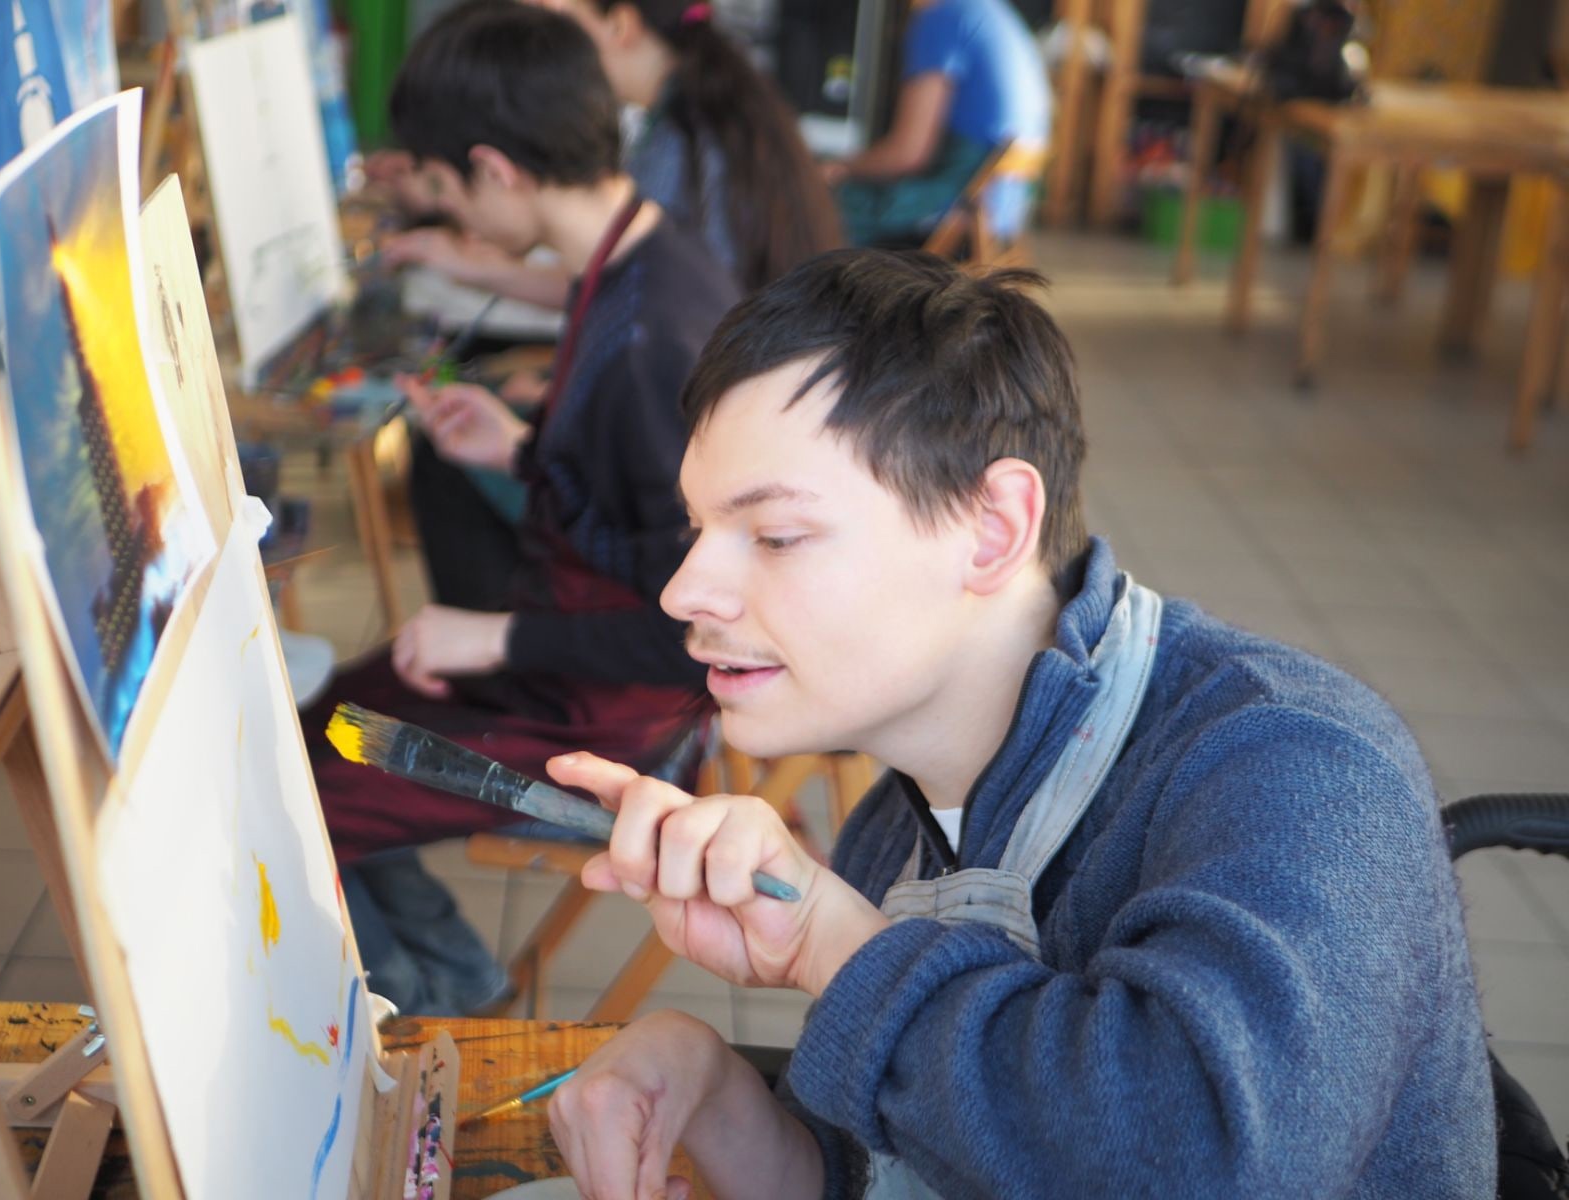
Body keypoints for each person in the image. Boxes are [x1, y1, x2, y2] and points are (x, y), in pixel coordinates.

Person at [531, 250, 1496, 1197]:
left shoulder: (1298, 763)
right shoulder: (892, 834)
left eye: (775, 535)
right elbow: (901, 1174)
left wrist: (831, 942)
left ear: (992, 529)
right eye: (698, 528)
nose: (683, 590)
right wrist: (717, 1095)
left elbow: (1211, 1166)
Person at [301, 0, 740, 1016]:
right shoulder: (637, 256)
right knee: (318, 730)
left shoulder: (649, 339)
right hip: (561, 667)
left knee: (294, 797)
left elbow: (694, 634)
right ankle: (455, 987)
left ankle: (412, 1024)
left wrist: (493, 636)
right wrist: (521, 447)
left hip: (612, 726)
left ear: (496, 170)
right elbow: (629, 501)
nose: (451, 222)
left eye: (443, 190)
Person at [381, 0, 844, 304]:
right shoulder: (703, 111)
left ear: (620, 24)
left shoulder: (680, 144)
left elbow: (639, 288)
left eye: (560, 19)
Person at [827, 0, 1051, 248]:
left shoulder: (942, 17)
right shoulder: (990, 11)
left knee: (818, 201)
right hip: (1001, 215)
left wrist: (839, 168)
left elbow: (908, 154)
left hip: (958, 213)